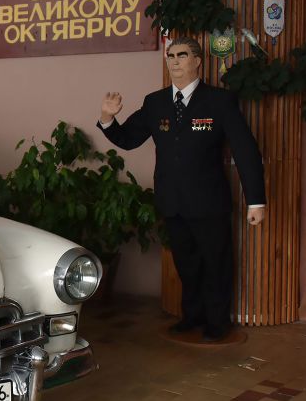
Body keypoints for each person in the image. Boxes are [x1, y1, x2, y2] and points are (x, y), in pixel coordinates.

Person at [98, 37, 265, 342]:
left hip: (209, 202)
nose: (174, 61)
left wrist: (256, 200)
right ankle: (192, 316)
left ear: (197, 61)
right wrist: (108, 118)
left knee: (215, 264)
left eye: (182, 55)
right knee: (186, 264)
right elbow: (128, 139)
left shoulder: (219, 101)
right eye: (170, 55)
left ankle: (217, 323)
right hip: (171, 201)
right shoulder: (155, 102)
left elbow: (245, 151)